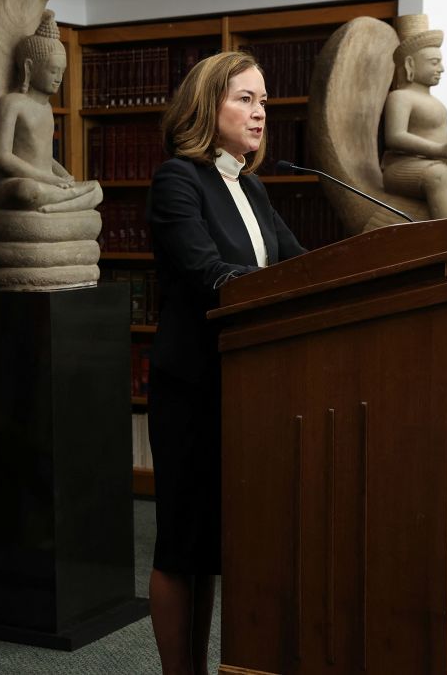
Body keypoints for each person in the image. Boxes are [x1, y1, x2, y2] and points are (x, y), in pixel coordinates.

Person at [146, 51, 305, 675]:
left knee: (212, 545)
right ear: (207, 104)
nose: (260, 112)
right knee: (182, 543)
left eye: (263, 101)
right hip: (193, 389)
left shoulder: (253, 185)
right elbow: (211, 276)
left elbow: (300, 267)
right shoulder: (177, 180)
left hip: (246, 387)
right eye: (245, 98)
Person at [0, 9, 101, 214]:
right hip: (18, 183)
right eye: (52, 70)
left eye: (62, 72)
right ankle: (66, 202)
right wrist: (48, 179)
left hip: (49, 183)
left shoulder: (47, 109)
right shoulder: (12, 103)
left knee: (97, 189)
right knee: (28, 190)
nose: (58, 78)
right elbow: (1, 156)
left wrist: (65, 177)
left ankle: (58, 204)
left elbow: (44, 157)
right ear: (29, 67)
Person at [381, 14, 447, 219]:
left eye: (441, 62)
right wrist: (440, 150)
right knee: (439, 175)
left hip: (434, 161)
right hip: (402, 167)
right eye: (434, 62)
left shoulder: (436, 104)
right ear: (410, 64)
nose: (442, 69)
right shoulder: (400, 97)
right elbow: (395, 137)